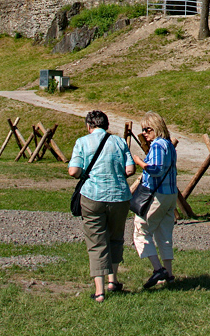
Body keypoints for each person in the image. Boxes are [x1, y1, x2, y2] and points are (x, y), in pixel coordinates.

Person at [68, 110, 134, 303]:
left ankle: (99, 291)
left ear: (89, 126)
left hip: (92, 196)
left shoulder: (82, 142)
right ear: (107, 125)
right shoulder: (119, 142)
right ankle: (113, 281)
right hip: (119, 196)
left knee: (97, 242)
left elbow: (73, 171)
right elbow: (130, 169)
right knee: (115, 238)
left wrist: (85, 175)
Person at [132, 111, 178, 289]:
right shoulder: (169, 145)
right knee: (164, 234)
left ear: (156, 128)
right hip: (170, 194)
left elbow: (156, 169)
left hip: (157, 194)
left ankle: (158, 269)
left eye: (147, 129)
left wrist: (140, 162)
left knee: (141, 227)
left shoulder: (158, 145)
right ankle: (169, 274)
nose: (144, 133)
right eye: (143, 129)